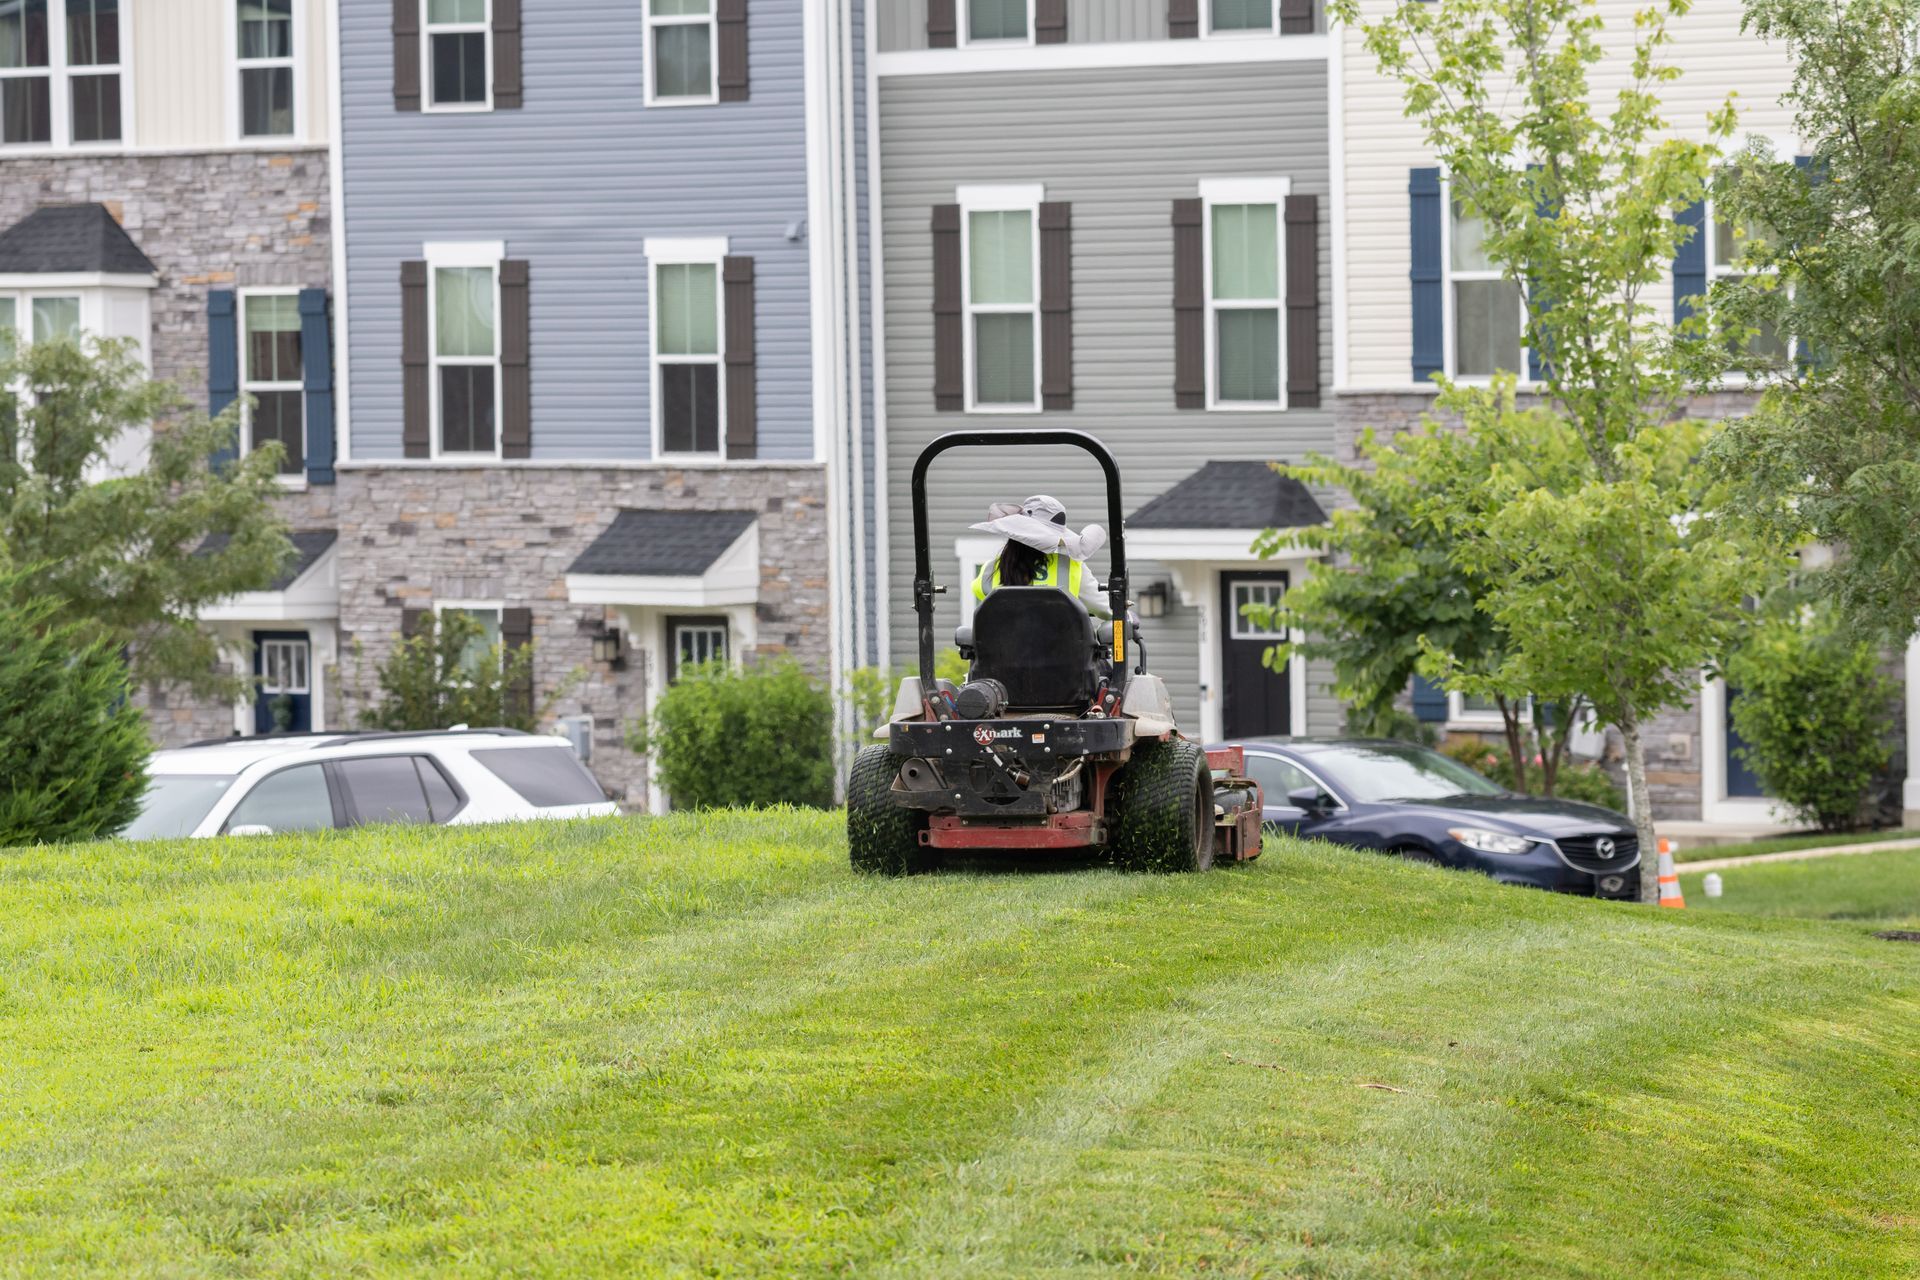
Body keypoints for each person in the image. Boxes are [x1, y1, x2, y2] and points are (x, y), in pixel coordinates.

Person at [969, 495, 1112, 618]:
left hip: (1003, 650)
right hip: (1061, 649)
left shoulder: (990, 570)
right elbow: (1105, 610)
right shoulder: (1072, 569)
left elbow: (983, 598)